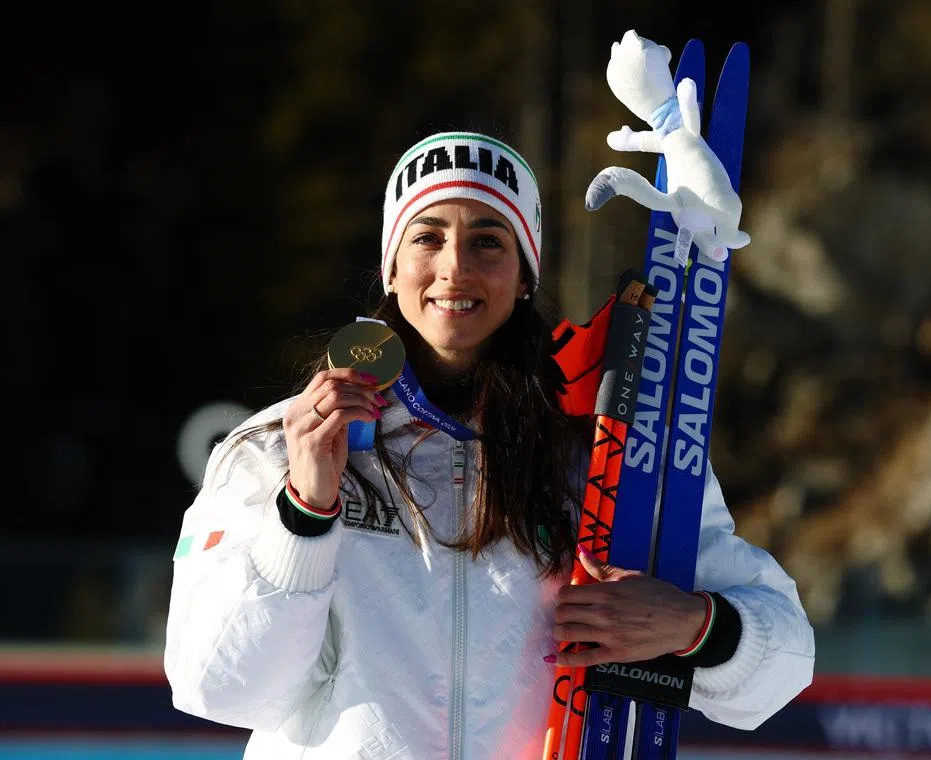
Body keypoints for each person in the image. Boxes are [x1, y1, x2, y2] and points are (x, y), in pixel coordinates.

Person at [164, 131, 814, 759]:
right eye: (428, 237)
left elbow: (785, 660)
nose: (454, 266)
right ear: (391, 267)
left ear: (524, 274)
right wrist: (303, 514)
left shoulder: (599, 448)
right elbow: (217, 686)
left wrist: (696, 627)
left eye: (487, 241)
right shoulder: (278, 446)